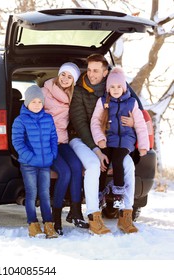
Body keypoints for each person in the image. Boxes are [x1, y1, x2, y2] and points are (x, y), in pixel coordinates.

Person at [68, 54, 138, 235]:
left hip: (111, 141)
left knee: (128, 165)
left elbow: (133, 109)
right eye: (89, 70)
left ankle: (125, 215)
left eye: (96, 71)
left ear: (105, 72)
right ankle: (94, 216)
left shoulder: (114, 86)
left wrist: (132, 123)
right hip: (81, 138)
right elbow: (81, 124)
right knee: (93, 165)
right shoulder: (79, 91)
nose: (91, 74)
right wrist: (97, 150)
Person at [91, 67, 149, 213]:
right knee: (103, 162)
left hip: (126, 140)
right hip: (109, 139)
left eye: (118, 87)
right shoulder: (103, 101)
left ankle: (118, 195)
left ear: (123, 87)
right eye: (112, 87)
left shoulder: (132, 103)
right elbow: (95, 122)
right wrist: (100, 139)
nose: (115, 89)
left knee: (117, 160)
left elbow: (141, 125)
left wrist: (143, 146)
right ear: (107, 88)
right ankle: (100, 194)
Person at [43, 62, 88, 235]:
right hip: (46, 142)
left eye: (70, 77)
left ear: (73, 81)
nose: (65, 79)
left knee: (77, 167)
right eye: (63, 75)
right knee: (65, 172)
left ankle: (75, 212)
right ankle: (56, 217)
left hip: (63, 141)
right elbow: (29, 112)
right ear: (58, 74)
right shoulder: (45, 91)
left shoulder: (73, 96)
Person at [12, 85, 59, 238]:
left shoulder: (48, 118)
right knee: (32, 194)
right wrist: (31, 158)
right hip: (29, 165)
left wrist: (52, 154)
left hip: (45, 163)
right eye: (34, 102)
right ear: (27, 103)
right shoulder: (20, 121)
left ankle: (49, 225)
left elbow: (53, 137)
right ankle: (33, 224)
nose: (37, 105)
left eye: (40, 101)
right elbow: (18, 142)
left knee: (45, 194)